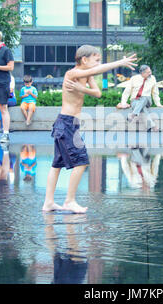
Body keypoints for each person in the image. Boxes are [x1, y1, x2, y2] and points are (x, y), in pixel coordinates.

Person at [42, 45, 137, 214]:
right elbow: (100, 70)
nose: (98, 63)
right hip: (66, 123)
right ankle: (69, 201)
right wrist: (119, 62)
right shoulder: (72, 73)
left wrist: (81, 89)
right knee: (81, 161)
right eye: (97, 59)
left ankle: (48, 202)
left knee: (57, 165)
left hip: (69, 124)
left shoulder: (87, 75)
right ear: (84, 60)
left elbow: (97, 93)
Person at [116, 64, 163, 132]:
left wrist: (158, 104)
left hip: (147, 100)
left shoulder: (153, 78)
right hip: (135, 101)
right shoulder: (134, 79)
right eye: (148, 72)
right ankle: (153, 127)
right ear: (142, 73)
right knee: (143, 108)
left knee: (144, 97)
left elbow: (155, 93)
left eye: (150, 71)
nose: (150, 73)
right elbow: (127, 92)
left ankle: (133, 115)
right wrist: (123, 103)